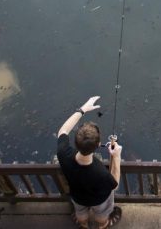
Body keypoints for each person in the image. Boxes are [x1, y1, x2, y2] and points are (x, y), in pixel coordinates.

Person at [57, 96, 122, 228]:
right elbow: (114, 185)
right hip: (99, 200)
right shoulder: (100, 172)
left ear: (75, 142)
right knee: (102, 214)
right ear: (98, 144)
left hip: (78, 197)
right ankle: (103, 225)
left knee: (80, 212)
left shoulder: (63, 154)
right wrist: (116, 157)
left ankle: (84, 225)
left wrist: (82, 110)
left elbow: (63, 131)